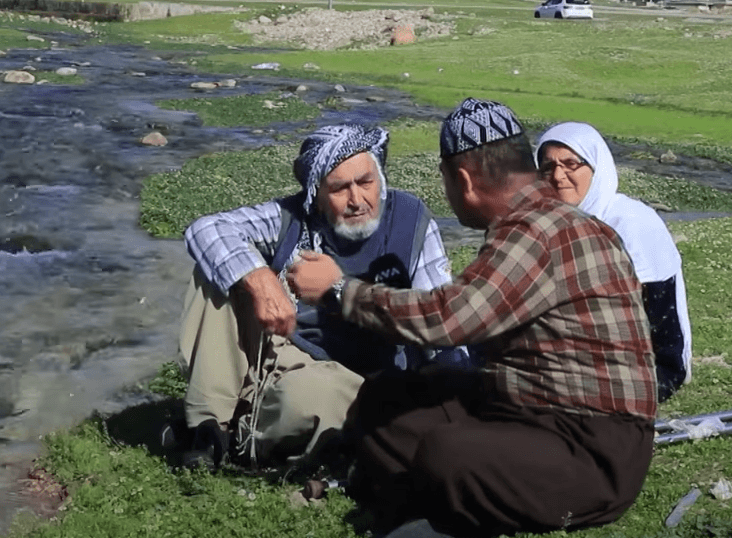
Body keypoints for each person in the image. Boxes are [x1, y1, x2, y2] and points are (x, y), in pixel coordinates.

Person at [287, 99, 657, 537]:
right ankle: (433, 502)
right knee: (384, 402)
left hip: (593, 450)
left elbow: (449, 319)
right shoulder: (551, 222)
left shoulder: (534, 231)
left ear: (462, 180)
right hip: (529, 411)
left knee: (447, 451)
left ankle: (434, 506)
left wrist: (338, 289)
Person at [177, 124, 453, 469]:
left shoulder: (411, 221)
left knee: (318, 399)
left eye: (366, 183)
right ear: (317, 195)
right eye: (339, 188)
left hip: (356, 376)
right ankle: (207, 428)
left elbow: (438, 320)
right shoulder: (293, 217)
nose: (357, 201)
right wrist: (260, 278)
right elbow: (206, 229)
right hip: (281, 353)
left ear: (380, 179)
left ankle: (242, 434)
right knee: (217, 268)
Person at [535, 121, 692, 403]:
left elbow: (662, 324)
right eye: (548, 166)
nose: (558, 176)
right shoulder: (545, 224)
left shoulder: (633, 224)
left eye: (571, 164)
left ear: (596, 167)